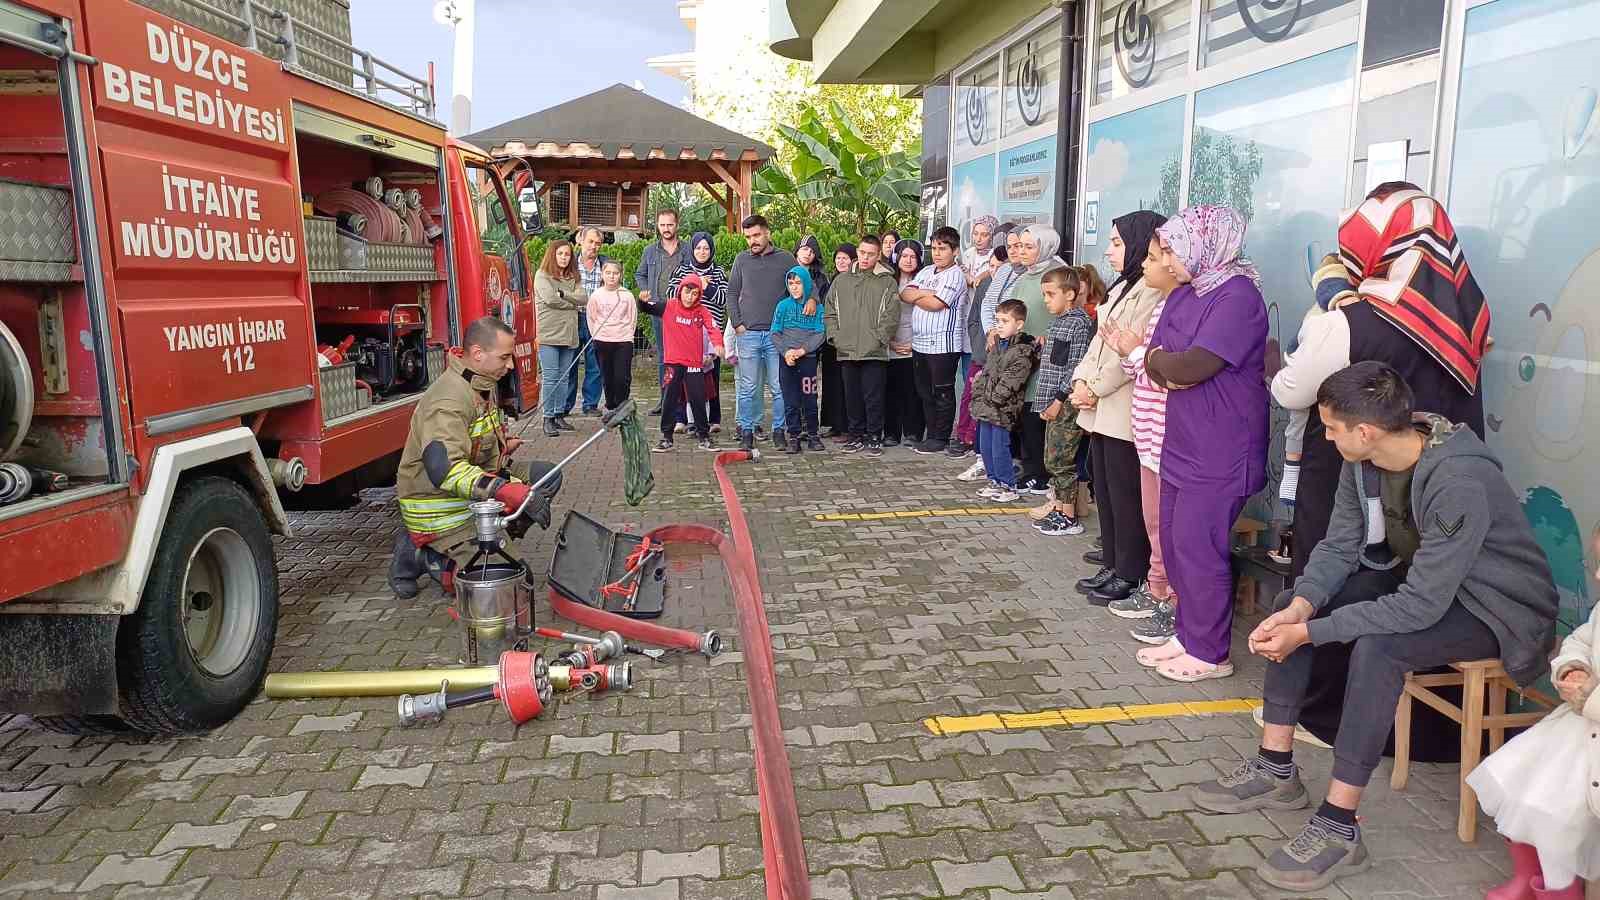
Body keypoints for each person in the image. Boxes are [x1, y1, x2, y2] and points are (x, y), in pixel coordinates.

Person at [1189, 361, 1557, 893]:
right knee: (1297, 599)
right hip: (1430, 587)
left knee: (1379, 648)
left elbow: (1419, 608)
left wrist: (1312, 634)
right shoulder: (1364, 460)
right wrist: (1301, 612)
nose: (1327, 437)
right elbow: (1340, 546)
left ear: (1364, 431)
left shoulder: (1460, 478)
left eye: (1331, 429)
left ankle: (1340, 827)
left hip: (1498, 611)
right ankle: (1275, 768)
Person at [1270, 183, 1492, 760]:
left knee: (1342, 577)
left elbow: (1290, 388)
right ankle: (1399, 725)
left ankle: (1323, 713)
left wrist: (1330, 298)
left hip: (1364, 470)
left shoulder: (1353, 317)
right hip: (1427, 476)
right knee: (1398, 578)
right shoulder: (1463, 308)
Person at [1106, 205, 1267, 677]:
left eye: (1173, 250)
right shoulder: (1190, 291)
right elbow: (1168, 365)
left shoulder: (1238, 296)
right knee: (1175, 543)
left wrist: (1158, 363)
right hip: (1181, 440)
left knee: (1200, 548)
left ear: (1206, 245)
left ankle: (1210, 652)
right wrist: (1163, 364)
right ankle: (1187, 634)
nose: (1167, 261)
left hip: (1221, 448)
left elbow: (1190, 366)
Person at [1469, 524, 1600, 900]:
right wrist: (1572, 667)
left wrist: (1590, 695)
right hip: (1577, 727)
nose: (1597, 575)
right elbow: (1579, 641)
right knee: (1513, 776)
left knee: (1554, 811)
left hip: (1590, 736)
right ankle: (1528, 876)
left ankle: (1560, 889)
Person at [388, 317, 562, 599]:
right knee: (511, 586)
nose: (510, 366)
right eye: (505, 357)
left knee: (548, 476)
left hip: (472, 493)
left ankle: (491, 538)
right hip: (439, 506)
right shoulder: (449, 399)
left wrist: (503, 446)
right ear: (479, 354)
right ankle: (420, 555)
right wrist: (506, 490)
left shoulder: (480, 379)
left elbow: (473, 439)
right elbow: (444, 470)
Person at [1069, 212, 1167, 617]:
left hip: (1125, 403)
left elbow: (1131, 351)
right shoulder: (1125, 285)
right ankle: (1112, 561)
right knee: (1106, 489)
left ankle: (1130, 571)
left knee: (1127, 494)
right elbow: (1100, 344)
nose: (1109, 250)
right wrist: (1079, 381)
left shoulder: (1153, 292)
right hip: (1100, 403)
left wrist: (1093, 387)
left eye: (1116, 242)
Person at [1105, 229, 1183, 646]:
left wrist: (1134, 353)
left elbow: (1168, 372)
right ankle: (1155, 590)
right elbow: (1145, 366)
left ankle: (1169, 602)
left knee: (1167, 526)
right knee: (1155, 522)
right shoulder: (1165, 302)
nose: (1151, 264)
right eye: (1152, 255)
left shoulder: (1179, 304)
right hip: (1149, 432)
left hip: (1167, 435)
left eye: (1158, 256)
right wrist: (1128, 350)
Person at [1032, 265, 1101, 538]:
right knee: (1052, 457)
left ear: (1070, 294)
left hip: (1066, 403)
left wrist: (1059, 400)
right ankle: (1059, 508)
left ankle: (1069, 516)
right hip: (1052, 401)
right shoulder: (1059, 321)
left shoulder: (1079, 323)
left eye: (1051, 294)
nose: (1046, 300)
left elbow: (1074, 367)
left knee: (1061, 459)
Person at [727, 215, 798, 451]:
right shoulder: (741, 260)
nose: (752, 241)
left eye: (756, 235)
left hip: (777, 336)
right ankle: (746, 431)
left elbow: (800, 289)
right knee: (748, 387)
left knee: (778, 387)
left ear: (768, 232)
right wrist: (737, 324)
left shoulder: (786, 259)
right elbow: (731, 293)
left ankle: (779, 431)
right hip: (747, 335)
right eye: (748, 237)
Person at [826, 234, 899, 459]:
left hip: (874, 351)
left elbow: (892, 315)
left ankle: (874, 436)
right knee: (852, 396)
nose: (865, 257)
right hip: (846, 349)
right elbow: (829, 311)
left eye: (870, 254)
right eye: (862, 252)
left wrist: (879, 338)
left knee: (873, 396)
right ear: (857, 252)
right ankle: (856, 435)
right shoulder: (841, 280)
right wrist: (836, 337)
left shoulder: (887, 281)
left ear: (878, 255)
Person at [1009, 225, 1069, 493]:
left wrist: (1047, 337)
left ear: (1045, 247)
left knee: (1038, 413)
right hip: (1025, 355)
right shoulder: (1025, 276)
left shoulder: (1056, 273)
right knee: (1026, 413)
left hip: (1049, 357)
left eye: (1028, 246)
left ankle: (1042, 474)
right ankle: (1032, 467)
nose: (1021, 251)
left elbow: (1066, 314)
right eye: (1019, 245)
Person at [899, 226, 968, 455]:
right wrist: (925, 293)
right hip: (920, 343)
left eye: (943, 249)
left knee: (942, 391)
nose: (937, 253)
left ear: (955, 250)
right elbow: (905, 294)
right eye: (935, 248)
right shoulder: (927, 270)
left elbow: (937, 304)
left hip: (943, 345)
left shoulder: (956, 274)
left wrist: (921, 294)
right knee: (924, 391)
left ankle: (941, 437)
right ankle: (931, 434)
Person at [954, 231, 1015, 479]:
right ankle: (974, 448)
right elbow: (975, 319)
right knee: (973, 399)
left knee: (995, 409)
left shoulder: (1015, 284)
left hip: (1004, 359)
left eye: (998, 267)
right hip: (981, 354)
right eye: (990, 266)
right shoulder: (986, 285)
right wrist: (982, 345)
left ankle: (998, 468)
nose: (993, 271)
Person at [643, 274, 724, 452]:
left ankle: (704, 436)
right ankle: (666, 438)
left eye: (695, 293)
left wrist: (718, 344)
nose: (690, 297)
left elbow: (713, 327)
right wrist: (641, 300)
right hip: (672, 362)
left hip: (694, 363)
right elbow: (647, 308)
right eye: (687, 292)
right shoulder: (669, 306)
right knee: (669, 398)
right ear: (680, 290)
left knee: (698, 398)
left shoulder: (702, 310)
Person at [967, 298, 1037, 502]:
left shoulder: (1022, 351)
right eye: (997, 320)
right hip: (986, 408)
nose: (999, 325)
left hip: (1002, 410)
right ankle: (994, 480)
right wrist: (979, 395)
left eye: (1005, 321)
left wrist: (992, 399)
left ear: (1019, 324)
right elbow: (986, 373)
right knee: (986, 447)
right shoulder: (997, 346)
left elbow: (1011, 382)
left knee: (999, 449)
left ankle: (1008, 485)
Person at [668, 232, 728, 434]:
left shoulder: (718, 272)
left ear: (711, 251)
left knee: (711, 378)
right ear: (692, 250)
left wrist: (706, 286)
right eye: (698, 248)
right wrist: (690, 285)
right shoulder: (682, 270)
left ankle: (713, 419)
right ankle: (681, 418)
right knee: (682, 378)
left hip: (710, 335)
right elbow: (671, 295)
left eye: (706, 248)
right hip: (685, 332)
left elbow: (724, 299)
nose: (702, 252)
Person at [635, 208, 688, 416]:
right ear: (657, 226)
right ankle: (665, 399)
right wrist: (644, 289)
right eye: (663, 225)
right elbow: (640, 274)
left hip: (683, 310)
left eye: (670, 225)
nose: (666, 229)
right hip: (659, 310)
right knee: (664, 356)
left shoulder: (688, 249)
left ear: (677, 225)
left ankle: (682, 401)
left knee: (683, 356)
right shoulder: (650, 251)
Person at [532, 240, 586, 437]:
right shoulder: (542, 275)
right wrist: (572, 303)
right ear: (553, 255)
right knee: (551, 377)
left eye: (567, 254)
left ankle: (558, 414)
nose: (564, 257)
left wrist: (564, 294)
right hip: (549, 334)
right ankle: (547, 417)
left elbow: (583, 298)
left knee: (564, 378)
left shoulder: (574, 276)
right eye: (561, 254)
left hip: (569, 334)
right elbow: (550, 299)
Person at [773, 266, 828, 453]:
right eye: (790, 283)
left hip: (808, 361)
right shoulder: (782, 306)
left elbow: (820, 333)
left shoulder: (817, 308)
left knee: (810, 399)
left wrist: (803, 350)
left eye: (798, 283)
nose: (794, 287)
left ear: (806, 284)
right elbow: (775, 333)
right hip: (787, 361)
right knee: (790, 400)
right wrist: (786, 352)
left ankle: (813, 435)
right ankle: (794, 436)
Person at [797, 235, 845, 440]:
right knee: (792, 383)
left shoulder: (821, 277)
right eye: (804, 249)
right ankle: (794, 423)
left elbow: (825, 307)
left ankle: (810, 423)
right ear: (797, 250)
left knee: (810, 382)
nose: (807, 253)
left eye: (811, 250)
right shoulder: (788, 274)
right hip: (791, 336)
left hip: (814, 337)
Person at [883, 239, 926, 448]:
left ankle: (913, 432)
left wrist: (914, 343)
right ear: (896, 257)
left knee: (913, 391)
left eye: (913, 256)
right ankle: (891, 432)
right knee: (891, 390)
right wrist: (889, 341)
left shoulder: (925, 281)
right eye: (904, 256)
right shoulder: (887, 281)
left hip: (916, 344)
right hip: (890, 344)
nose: (908, 260)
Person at [585, 259, 637, 413]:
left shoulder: (626, 296)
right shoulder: (596, 295)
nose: (612, 276)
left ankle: (622, 406)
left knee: (622, 377)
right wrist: (596, 335)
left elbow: (632, 317)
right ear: (602, 275)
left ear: (620, 275)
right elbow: (591, 317)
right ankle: (611, 405)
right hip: (602, 340)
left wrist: (628, 334)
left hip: (623, 340)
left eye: (615, 273)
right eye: (608, 273)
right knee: (607, 376)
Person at [568, 226, 608, 417]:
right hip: (573, 317)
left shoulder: (606, 265)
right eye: (590, 241)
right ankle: (565, 406)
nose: (594, 246)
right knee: (570, 363)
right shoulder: (569, 263)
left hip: (596, 319)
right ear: (580, 241)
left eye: (598, 243)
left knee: (595, 364)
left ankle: (590, 404)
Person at [961, 214, 999, 287]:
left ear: (992, 236)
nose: (978, 239)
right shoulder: (968, 254)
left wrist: (985, 275)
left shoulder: (997, 256)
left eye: (984, 235)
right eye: (975, 234)